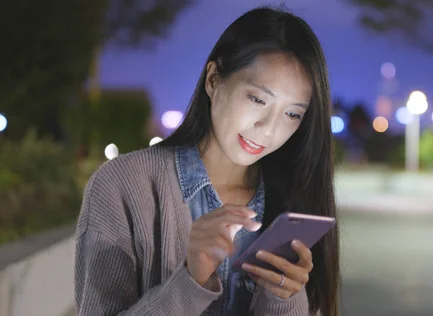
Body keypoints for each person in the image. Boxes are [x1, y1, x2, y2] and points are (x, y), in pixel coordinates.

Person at [74, 7, 340, 316]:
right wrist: (191, 280)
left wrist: (284, 297)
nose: (269, 128)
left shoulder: (296, 197)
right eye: (257, 99)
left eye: (293, 114)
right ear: (213, 79)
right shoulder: (123, 185)